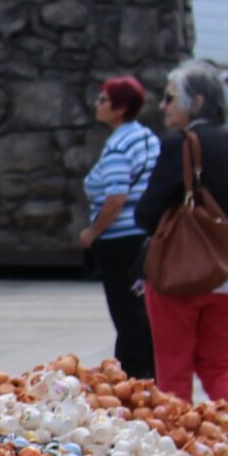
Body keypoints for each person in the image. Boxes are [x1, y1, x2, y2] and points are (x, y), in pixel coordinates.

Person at [134, 61, 228, 420]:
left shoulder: (181, 145)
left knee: (174, 373)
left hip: (184, 275)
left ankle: (179, 455)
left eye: (171, 98)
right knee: (220, 367)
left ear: (198, 102)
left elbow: (147, 214)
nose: (163, 105)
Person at [78, 74, 159, 378]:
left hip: (120, 241)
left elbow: (116, 196)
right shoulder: (146, 138)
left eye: (103, 99)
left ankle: (135, 375)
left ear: (120, 108)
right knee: (140, 309)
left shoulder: (118, 146)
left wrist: (93, 232)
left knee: (127, 313)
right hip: (142, 236)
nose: (97, 105)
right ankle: (147, 369)